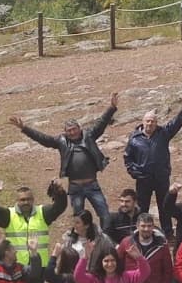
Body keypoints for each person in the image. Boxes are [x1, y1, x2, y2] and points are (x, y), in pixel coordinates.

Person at [9, 92, 119, 228]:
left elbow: (101, 123)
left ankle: (105, 241)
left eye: (74, 129)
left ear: (80, 128)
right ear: (65, 132)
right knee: (78, 218)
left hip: (92, 185)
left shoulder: (89, 135)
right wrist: (24, 128)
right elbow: (43, 139)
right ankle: (81, 241)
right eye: (69, 131)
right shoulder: (61, 141)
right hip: (75, 188)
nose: (72, 132)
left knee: (105, 214)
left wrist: (112, 107)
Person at [124, 98, 182, 228]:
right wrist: (134, 172)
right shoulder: (134, 138)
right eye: (148, 121)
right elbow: (128, 158)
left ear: (156, 123)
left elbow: (175, 124)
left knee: (164, 206)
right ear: (143, 122)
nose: (150, 124)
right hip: (143, 180)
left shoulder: (163, 134)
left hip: (161, 178)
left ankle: (167, 232)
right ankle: (141, 230)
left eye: (153, 121)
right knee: (142, 208)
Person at [116, 212, 174, 283]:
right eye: (143, 226)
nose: (146, 229)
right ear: (137, 226)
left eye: (149, 226)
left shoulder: (162, 246)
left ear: (153, 227)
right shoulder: (127, 243)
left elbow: (168, 271)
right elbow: (117, 265)